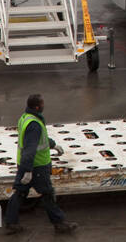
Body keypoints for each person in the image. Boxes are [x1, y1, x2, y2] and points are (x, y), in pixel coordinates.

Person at [5, 94, 78, 234]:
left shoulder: (25, 118)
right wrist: (28, 170)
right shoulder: (34, 124)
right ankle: (59, 223)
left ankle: (11, 222)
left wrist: (53, 144)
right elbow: (30, 148)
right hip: (36, 167)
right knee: (47, 194)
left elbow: (39, 140)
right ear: (38, 107)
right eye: (43, 103)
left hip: (25, 164)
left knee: (20, 193)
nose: (45, 105)